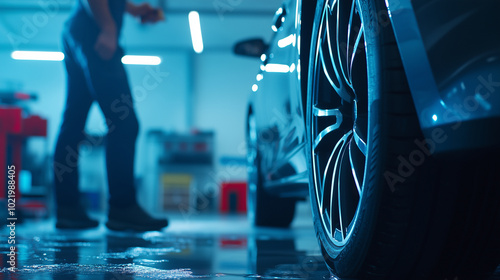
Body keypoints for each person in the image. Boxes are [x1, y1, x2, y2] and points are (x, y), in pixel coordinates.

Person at [53, 0, 167, 231]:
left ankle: (68, 208)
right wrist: (108, 27)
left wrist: (132, 10)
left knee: (73, 122)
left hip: (79, 29)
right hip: (92, 30)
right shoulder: (101, 26)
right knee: (124, 122)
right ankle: (122, 208)